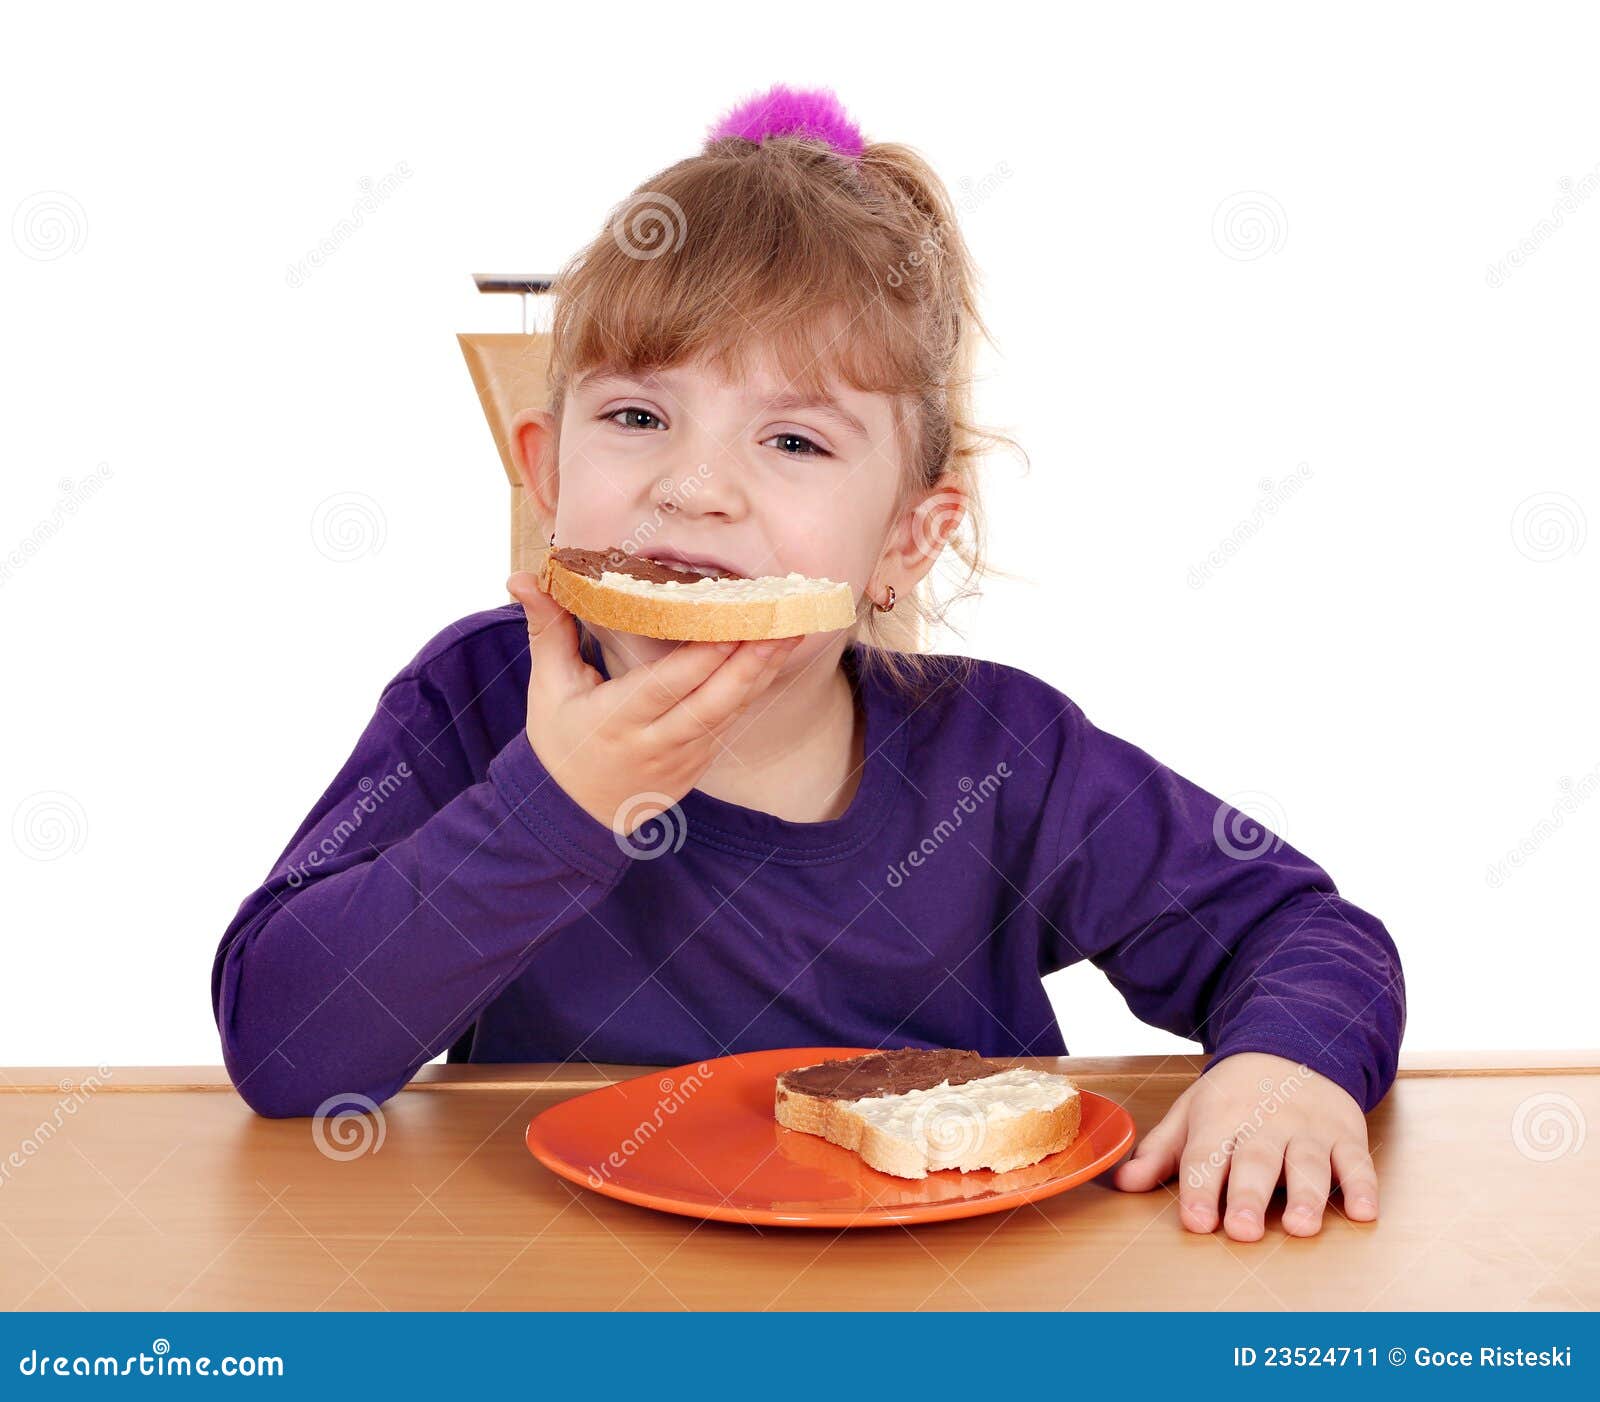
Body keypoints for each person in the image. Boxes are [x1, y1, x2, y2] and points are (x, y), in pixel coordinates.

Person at [212, 84, 1403, 1242]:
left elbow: (1300, 929)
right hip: (566, 1293)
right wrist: (552, 805)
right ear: (545, 469)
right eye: (636, 417)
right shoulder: (474, 704)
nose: (694, 485)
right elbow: (283, 1043)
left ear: (905, 537)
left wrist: (1286, 1066)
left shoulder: (1001, 757)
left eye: (791, 439)